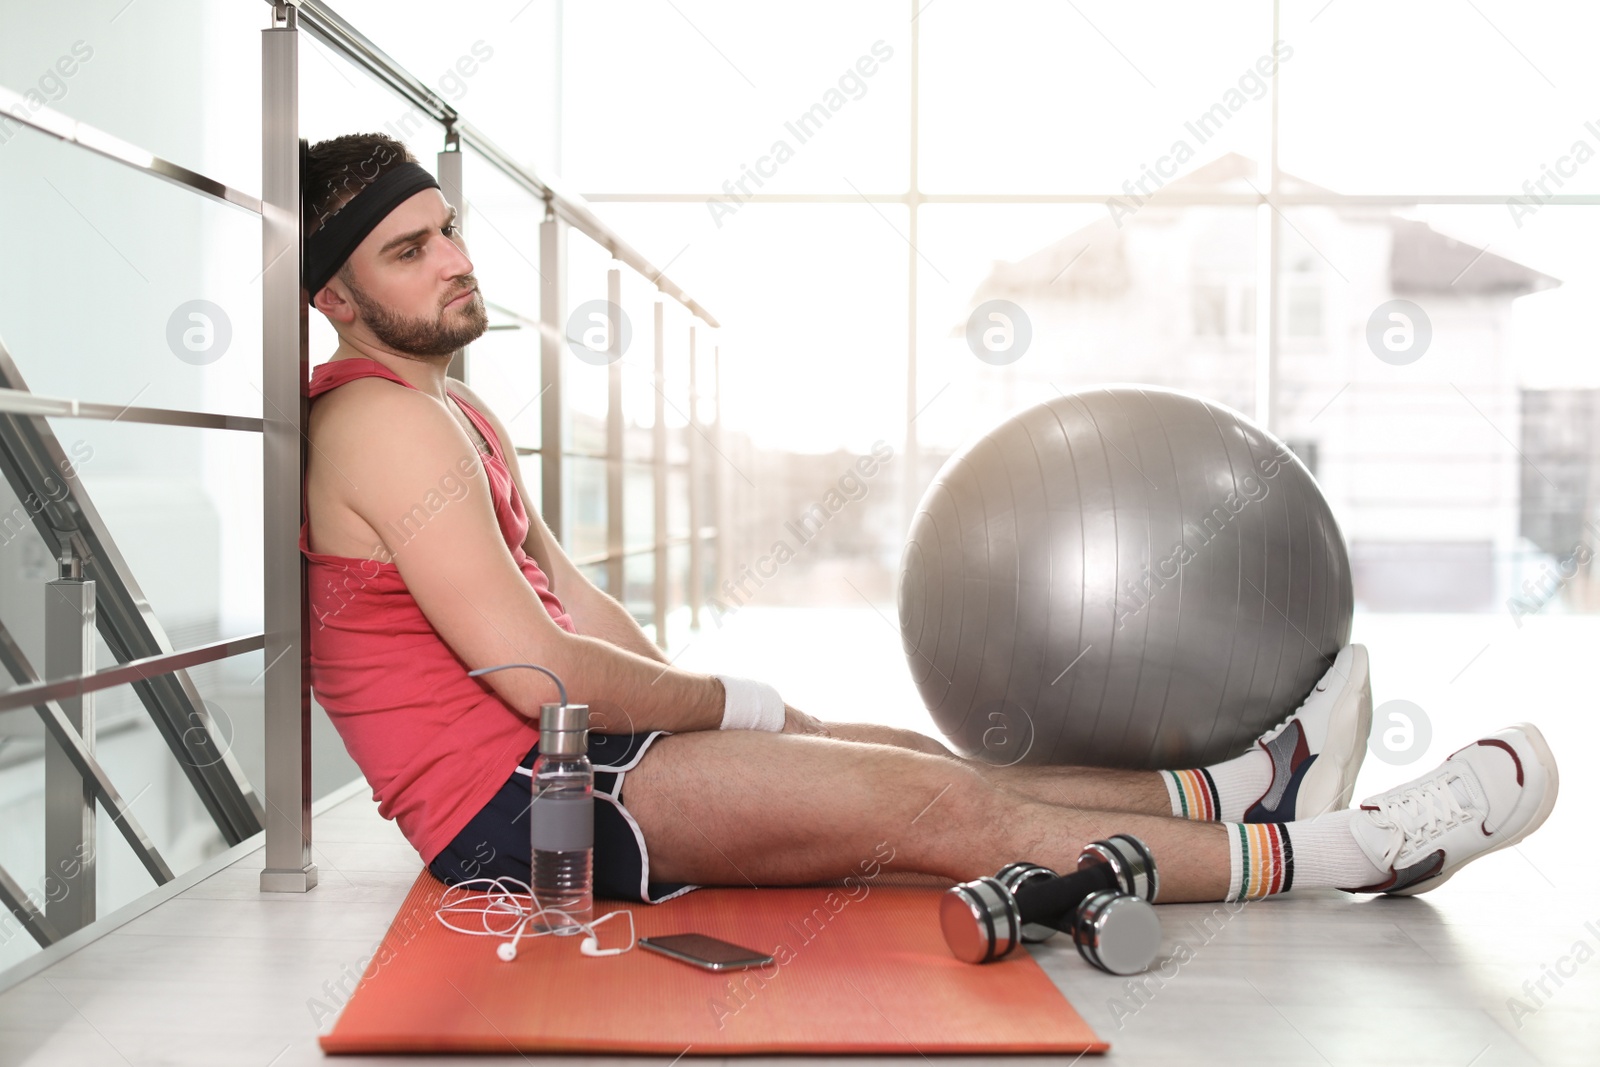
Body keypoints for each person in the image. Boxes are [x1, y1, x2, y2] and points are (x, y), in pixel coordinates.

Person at [299, 132, 1558, 911]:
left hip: (570, 764)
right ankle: (1354, 852)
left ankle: (1238, 785)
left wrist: (724, 703)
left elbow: (583, 610)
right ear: (336, 297)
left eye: (448, 228)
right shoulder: (378, 425)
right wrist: (736, 709)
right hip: (518, 813)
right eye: (408, 251)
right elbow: (549, 674)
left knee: (907, 746)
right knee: (947, 818)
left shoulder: (453, 413)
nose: (456, 258)